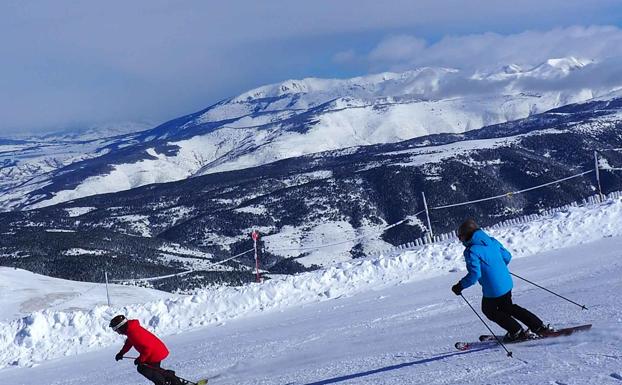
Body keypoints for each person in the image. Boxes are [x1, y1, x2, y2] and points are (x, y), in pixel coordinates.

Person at [450, 219, 554, 341]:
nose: (459, 239)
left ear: (467, 235)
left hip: (493, 289)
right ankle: (539, 326)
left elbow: (474, 275)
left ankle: (516, 331)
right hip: (506, 282)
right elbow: (507, 256)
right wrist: (497, 268)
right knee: (509, 307)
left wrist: (460, 286)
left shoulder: (471, 251)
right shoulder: (492, 241)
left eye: (460, 236)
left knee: (489, 310)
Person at [109, 315, 183, 385]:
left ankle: (165, 382)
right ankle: (173, 380)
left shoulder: (133, 333)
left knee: (144, 369)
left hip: (155, 353)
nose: (117, 332)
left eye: (115, 329)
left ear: (121, 327)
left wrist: (141, 359)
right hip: (155, 351)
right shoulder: (130, 330)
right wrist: (121, 353)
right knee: (153, 369)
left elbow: (148, 348)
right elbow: (129, 343)